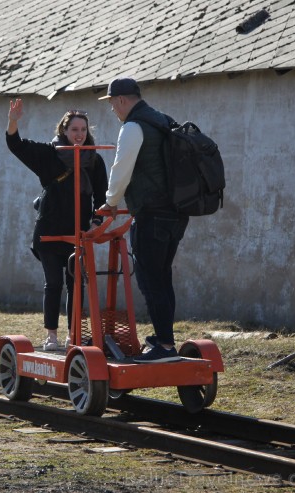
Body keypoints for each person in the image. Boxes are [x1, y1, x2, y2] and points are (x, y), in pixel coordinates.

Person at [6, 99, 108, 351]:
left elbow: (101, 197)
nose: (79, 135)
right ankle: (51, 335)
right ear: (64, 131)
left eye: (83, 130)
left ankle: (73, 335)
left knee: (76, 284)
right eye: (74, 130)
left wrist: (96, 221)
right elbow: (16, 145)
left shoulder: (94, 160)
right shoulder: (48, 154)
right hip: (50, 232)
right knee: (53, 283)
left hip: (78, 232)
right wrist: (13, 121)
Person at [98, 77, 186, 363]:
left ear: (122, 100)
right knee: (162, 278)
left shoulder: (133, 127)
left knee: (150, 280)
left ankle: (164, 345)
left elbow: (121, 169)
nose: (112, 109)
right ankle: (166, 340)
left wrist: (111, 203)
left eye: (112, 103)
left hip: (151, 214)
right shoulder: (163, 119)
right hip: (176, 213)